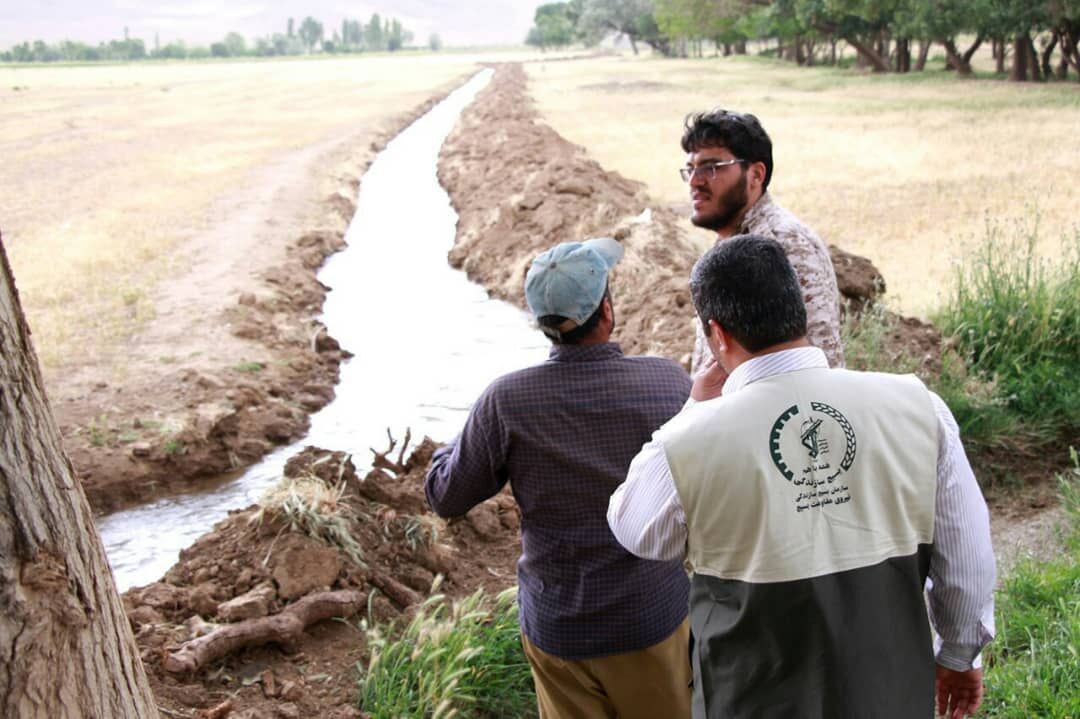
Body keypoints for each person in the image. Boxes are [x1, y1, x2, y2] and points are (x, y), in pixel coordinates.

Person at [608, 235, 995, 719]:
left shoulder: (687, 442)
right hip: (890, 696)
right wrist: (959, 654)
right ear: (800, 313)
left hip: (750, 701)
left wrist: (692, 410)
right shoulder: (919, 406)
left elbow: (637, 531)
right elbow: (968, 557)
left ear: (718, 335)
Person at [425, 237, 693, 718]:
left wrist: (457, 440)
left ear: (542, 323)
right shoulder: (666, 382)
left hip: (561, 627)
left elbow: (444, 495)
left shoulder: (507, 401)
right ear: (606, 312)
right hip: (649, 615)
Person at [680, 109, 844, 373]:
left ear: (756, 174)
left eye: (711, 168)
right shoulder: (730, 243)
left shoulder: (784, 244)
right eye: (690, 169)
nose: (694, 181)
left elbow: (820, 364)